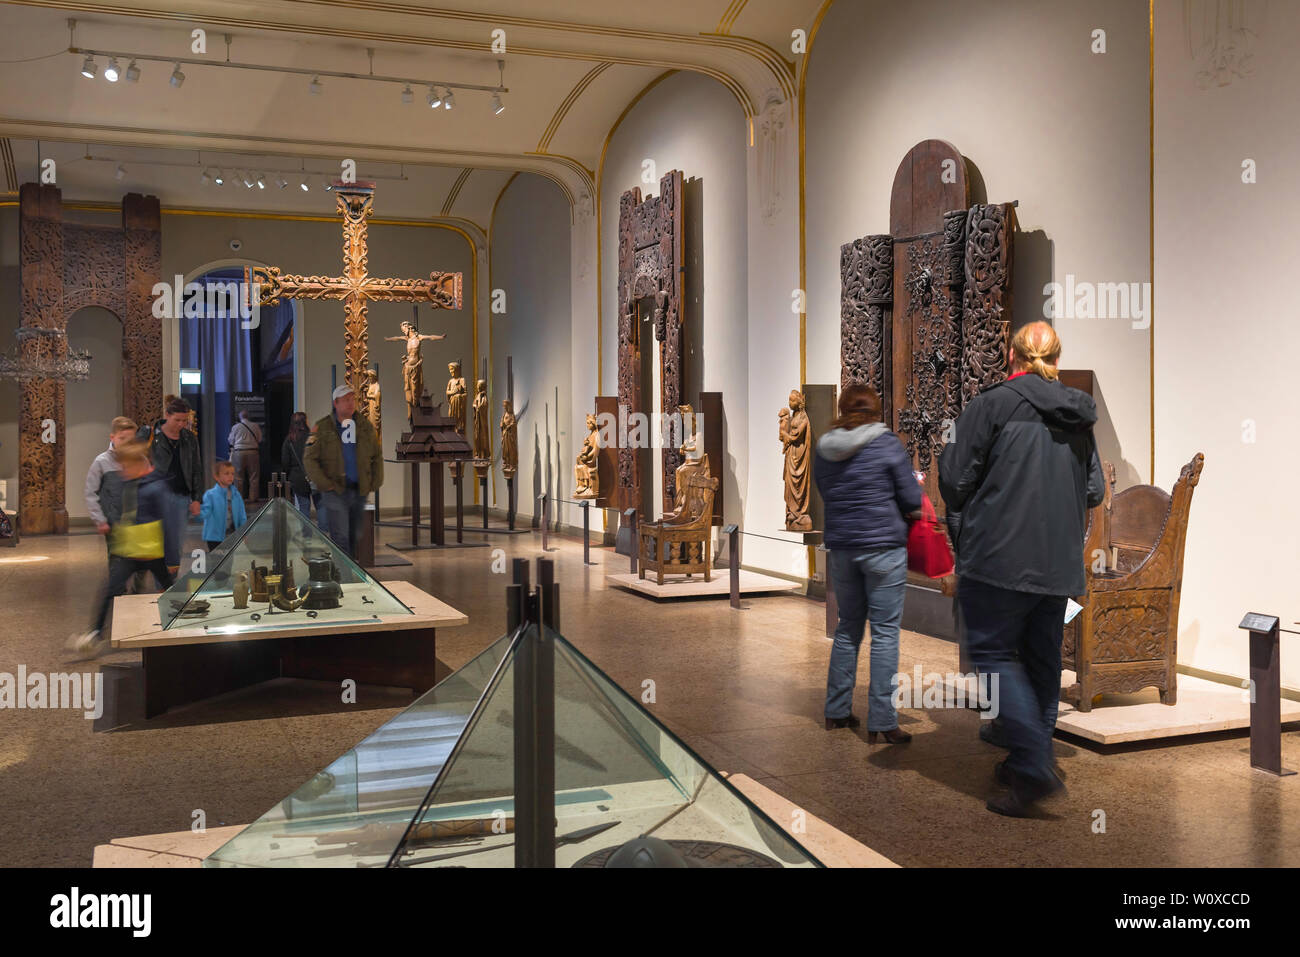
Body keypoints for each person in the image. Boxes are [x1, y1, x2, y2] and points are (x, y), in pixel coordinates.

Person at [938, 321, 1105, 818]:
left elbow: (954, 480)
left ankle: (1032, 765)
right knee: (1041, 660)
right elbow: (1094, 491)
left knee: (992, 652)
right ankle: (1029, 755)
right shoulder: (1078, 414)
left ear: (1011, 356)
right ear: (1056, 358)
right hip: (1057, 563)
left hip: (998, 557)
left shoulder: (992, 404)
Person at [814, 384, 922, 742]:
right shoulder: (886, 443)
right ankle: (883, 721)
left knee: (847, 628)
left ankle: (836, 711)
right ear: (875, 410)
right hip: (883, 549)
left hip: (842, 548)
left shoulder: (825, 448)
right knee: (885, 634)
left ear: (842, 409)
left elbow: (826, 492)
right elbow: (909, 496)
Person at [70, 440, 174, 656]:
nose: (122, 472)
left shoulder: (156, 487)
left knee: (169, 589)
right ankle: (95, 634)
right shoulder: (132, 483)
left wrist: (170, 554)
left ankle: (184, 625)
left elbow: (169, 522)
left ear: (138, 464)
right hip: (129, 550)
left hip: (151, 552)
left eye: (125, 467)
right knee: (110, 590)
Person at [304, 384, 383, 557]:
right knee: (340, 536)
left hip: (358, 489)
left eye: (352, 399)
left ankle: (350, 572)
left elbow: (376, 455)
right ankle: (345, 576)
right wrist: (324, 483)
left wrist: (375, 481)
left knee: (354, 536)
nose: (350, 403)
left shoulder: (364, 426)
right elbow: (309, 459)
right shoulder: (322, 427)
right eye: (346, 400)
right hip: (335, 490)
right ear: (336, 403)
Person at [142, 397, 204, 577]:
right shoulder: (150, 435)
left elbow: (196, 469)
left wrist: (197, 498)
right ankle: (145, 580)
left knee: (174, 543)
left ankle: (167, 585)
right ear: (166, 415)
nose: (181, 424)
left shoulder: (189, 438)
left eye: (185, 420)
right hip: (154, 497)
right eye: (177, 420)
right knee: (152, 542)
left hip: (180, 497)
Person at [84, 416, 138, 555]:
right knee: (117, 560)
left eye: (130, 440)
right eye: (122, 438)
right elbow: (91, 493)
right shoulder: (101, 462)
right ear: (112, 437)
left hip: (138, 520)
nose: (126, 443)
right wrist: (100, 520)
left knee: (139, 560)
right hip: (114, 522)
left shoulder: (140, 460)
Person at [281, 411, 325, 533]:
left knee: (304, 506)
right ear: (305, 422)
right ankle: (324, 534)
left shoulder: (289, 440)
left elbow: (285, 461)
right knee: (320, 505)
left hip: (298, 478)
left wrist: (289, 474)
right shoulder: (313, 437)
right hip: (315, 475)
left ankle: (307, 536)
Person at [201, 460, 247, 553]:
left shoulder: (236, 495)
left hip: (231, 536)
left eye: (232, 473)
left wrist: (244, 532)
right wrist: (198, 512)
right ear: (217, 477)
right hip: (214, 538)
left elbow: (242, 515)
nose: (230, 476)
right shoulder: (210, 495)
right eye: (226, 473)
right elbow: (205, 512)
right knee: (216, 562)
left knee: (229, 562)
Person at [227, 410, 263, 502]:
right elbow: (259, 439)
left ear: (240, 417)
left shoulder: (236, 427)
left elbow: (231, 440)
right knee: (254, 476)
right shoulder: (255, 426)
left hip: (239, 452)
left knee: (238, 477)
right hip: (253, 452)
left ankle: (238, 498)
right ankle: (253, 498)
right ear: (248, 416)